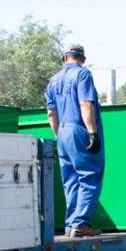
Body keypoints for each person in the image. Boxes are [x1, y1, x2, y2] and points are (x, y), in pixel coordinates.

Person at [46, 43, 104, 237]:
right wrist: (92, 133)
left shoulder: (53, 80)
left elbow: (51, 114)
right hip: (79, 129)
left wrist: (59, 136)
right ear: (83, 59)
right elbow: (85, 104)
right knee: (89, 176)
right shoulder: (83, 74)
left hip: (62, 131)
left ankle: (71, 224)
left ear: (64, 58)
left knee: (70, 180)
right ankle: (80, 223)